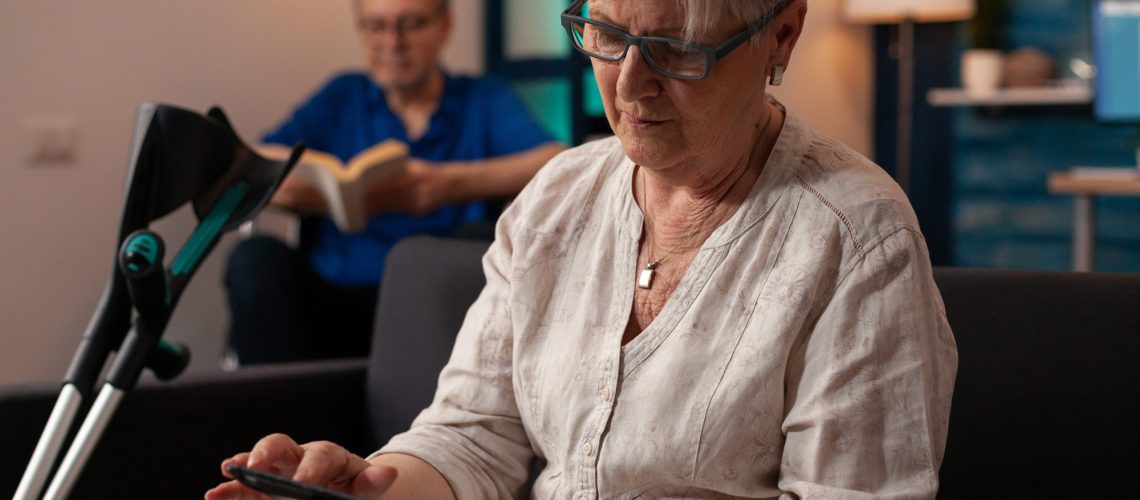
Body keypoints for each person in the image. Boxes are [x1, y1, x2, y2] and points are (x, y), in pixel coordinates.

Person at [208, 0, 958, 497]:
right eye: (607, 34)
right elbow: (475, 435)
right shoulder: (557, 198)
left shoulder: (857, 240)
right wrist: (369, 487)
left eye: (674, 49)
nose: (630, 84)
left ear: (781, 34)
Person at [225, 0, 564, 364]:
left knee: (472, 243)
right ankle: (275, 415)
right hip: (333, 297)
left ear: (443, 27)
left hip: (435, 306)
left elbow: (556, 161)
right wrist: (323, 193)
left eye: (411, 24)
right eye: (375, 27)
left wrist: (442, 186)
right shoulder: (342, 96)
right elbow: (252, 164)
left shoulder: (481, 99)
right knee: (254, 259)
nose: (392, 42)